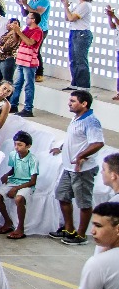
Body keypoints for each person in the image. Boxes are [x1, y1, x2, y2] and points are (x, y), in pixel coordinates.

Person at [51, 90, 106, 246]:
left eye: (73, 101)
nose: (69, 103)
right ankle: (69, 229)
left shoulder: (91, 121)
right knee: (62, 195)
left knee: (84, 202)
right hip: (69, 168)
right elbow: (74, 139)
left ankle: (81, 235)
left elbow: (98, 143)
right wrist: (61, 147)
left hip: (82, 170)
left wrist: (81, 156)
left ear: (84, 104)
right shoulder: (76, 118)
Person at [0, 131, 38, 240]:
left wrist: (16, 188)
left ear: (28, 146)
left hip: (26, 184)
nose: (16, 147)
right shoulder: (13, 154)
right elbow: (14, 169)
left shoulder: (33, 159)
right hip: (14, 181)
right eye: (15, 144)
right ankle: (8, 221)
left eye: (20, 145)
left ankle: (20, 227)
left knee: (19, 199)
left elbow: (33, 181)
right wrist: (7, 175)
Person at [16, 0, 50, 82]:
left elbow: (37, 13)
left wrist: (26, 4)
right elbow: (25, 14)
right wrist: (22, 6)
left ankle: (39, 73)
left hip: (40, 29)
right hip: (30, 28)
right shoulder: (32, 1)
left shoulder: (44, 1)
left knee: (36, 50)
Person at [63, 0, 94, 90]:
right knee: (73, 59)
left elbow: (72, 18)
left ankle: (83, 85)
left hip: (82, 33)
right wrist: (66, 7)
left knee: (81, 60)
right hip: (74, 32)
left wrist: (66, 7)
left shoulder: (85, 5)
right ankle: (75, 83)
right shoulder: (79, 5)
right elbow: (67, 18)